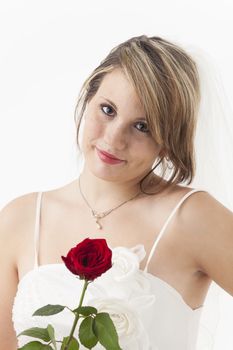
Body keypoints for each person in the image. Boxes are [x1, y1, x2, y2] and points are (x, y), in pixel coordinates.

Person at [0, 34, 233, 350]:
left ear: (168, 141)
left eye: (143, 127)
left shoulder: (191, 217)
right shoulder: (21, 218)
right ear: (89, 97)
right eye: (107, 110)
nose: (114, 138)